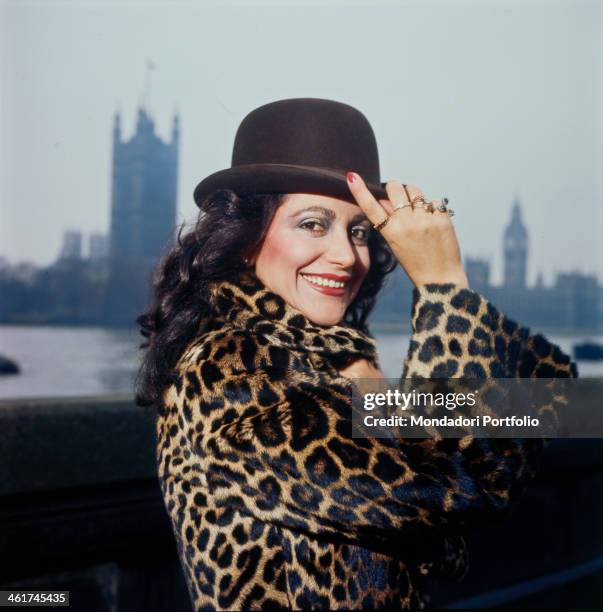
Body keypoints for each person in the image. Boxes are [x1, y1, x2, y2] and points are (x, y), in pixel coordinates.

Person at [136, 98, 577, 610]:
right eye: (313, 224)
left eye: (360, 231)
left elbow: (528, 412)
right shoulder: (231, 374)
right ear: (247, 240)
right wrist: (443, 287)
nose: (347, 256)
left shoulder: (328, 365)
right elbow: (465, 485)